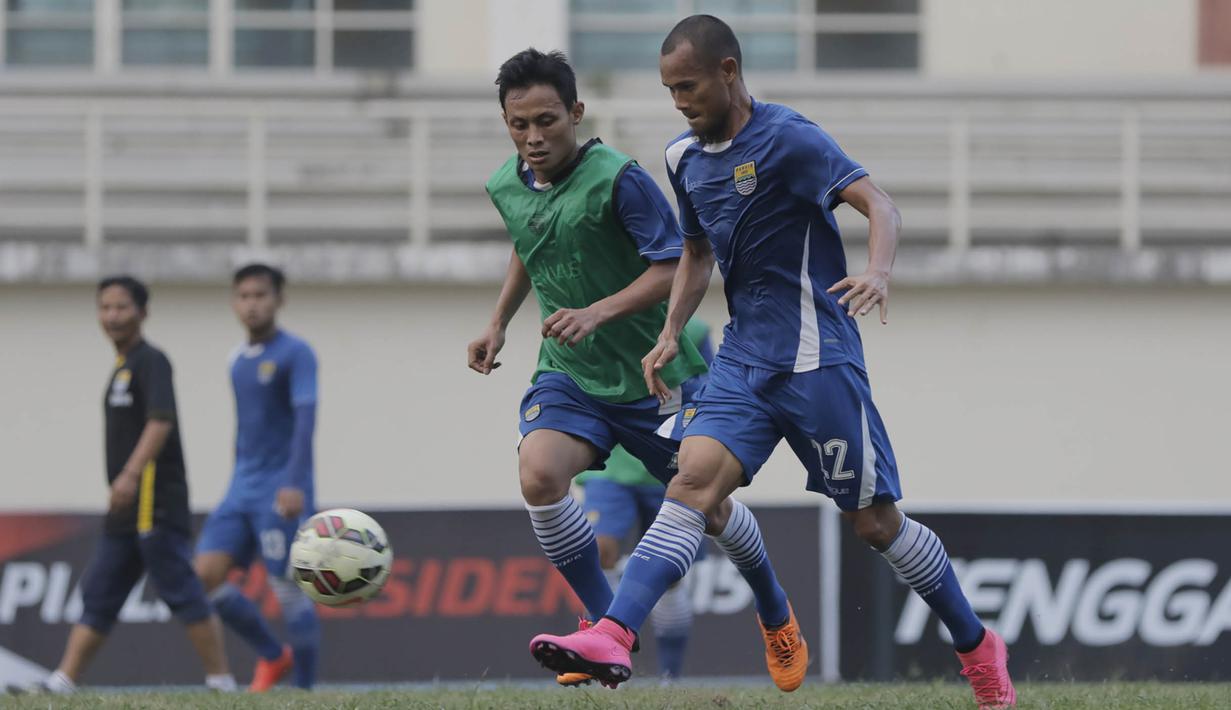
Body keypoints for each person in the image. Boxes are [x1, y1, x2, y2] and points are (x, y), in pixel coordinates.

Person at [528, 16, 1018, 709]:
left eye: (689, 86)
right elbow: (695, 254)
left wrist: (876, 271)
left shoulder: (789, 139)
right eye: (669, 90)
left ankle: (975, 646)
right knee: (692, 482)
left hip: (819, 361)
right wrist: (670, 330)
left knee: (876, 526)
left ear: (728, 72)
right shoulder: (682, 159)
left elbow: (879, 205)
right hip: (742, 360)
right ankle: (613, 633)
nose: (679, 101)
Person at [468, 48, 804, 690]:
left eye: (547, 120)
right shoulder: (506, 183)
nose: (534, 138)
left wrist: (596, 312)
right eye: (519, 125)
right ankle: (603, 627)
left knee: (711, 509)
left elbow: (675, 265)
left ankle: (775, 609)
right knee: (539, 476)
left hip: (655, 376)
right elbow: (529, 238)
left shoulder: (618, 179)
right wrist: (498, 322)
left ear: (576, 111)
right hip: (570, 373)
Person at [15, 276, 236, 695]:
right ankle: (62, 682)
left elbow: (160, 420)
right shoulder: (121, 367)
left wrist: (132, 474)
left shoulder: (151, 360)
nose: (113, 316)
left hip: (154, 500)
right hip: (125, 508)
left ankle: (222, 682)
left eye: (122, 307)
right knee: (101, 590)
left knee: (181, 589)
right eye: (106, 308)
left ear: (143, 312)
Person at [193, 264, 321, 691]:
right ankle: (272, 655)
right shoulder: (235, 359)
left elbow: (305, 421)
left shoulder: (296, 353)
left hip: (280, 488)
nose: (252, 304)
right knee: (204, 576)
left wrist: (294, 482)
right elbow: (247, 424)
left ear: (278, 299)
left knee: (287, 589)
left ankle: (305, 691)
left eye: (261, 295)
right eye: (244, 296)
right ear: (234, 301)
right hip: (240, 488)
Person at [577, 317, 715, 682]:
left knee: (668, 574)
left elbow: (711, 391)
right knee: (600, 548)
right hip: (609, 462)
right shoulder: (595, 314)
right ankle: (602, 660)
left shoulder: (694, 330)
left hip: (661, 459)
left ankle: (670, 676)